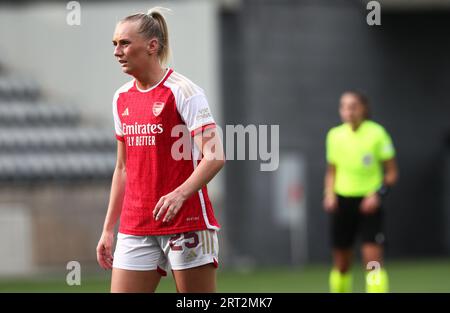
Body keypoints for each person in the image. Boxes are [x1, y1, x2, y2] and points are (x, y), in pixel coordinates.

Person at [96, 7, 225, 293]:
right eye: (115, 44)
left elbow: (214, 156)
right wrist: (108, 228)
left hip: (187, 222)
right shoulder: (121, 98)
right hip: (135, 225)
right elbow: (123, 168)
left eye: (125, 43)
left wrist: (180, 193)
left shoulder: (184, 91)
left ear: (152, 46)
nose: (117, 51)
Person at [323, 91, 398, 293]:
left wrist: (377, 195)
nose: (348, 111)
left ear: (363, 108)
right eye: (344, 106)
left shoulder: (377, 133)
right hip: (342, 202)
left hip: (368, 205)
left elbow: (391, 173)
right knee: (341, 264)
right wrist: (329, 194)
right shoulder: (334, 135)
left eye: (353, 106)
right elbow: (332, 171)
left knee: (372, 261)